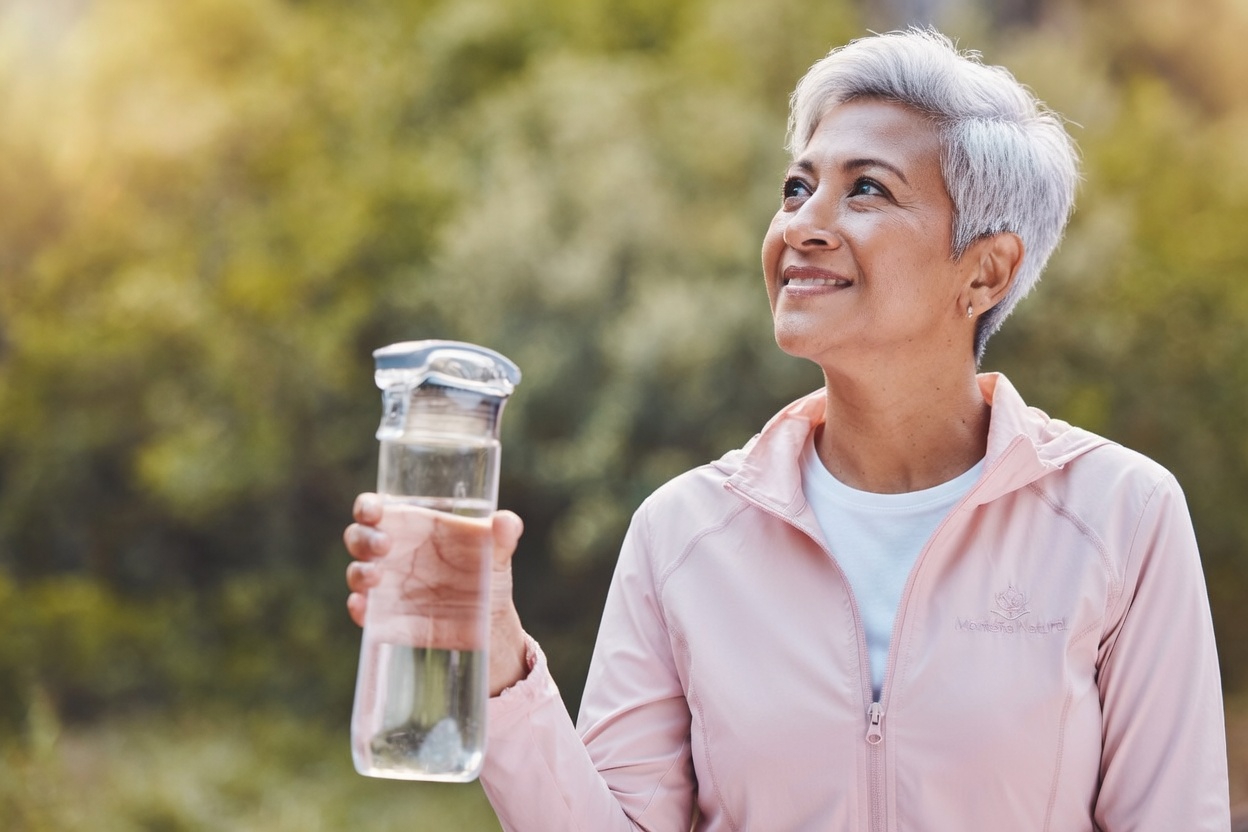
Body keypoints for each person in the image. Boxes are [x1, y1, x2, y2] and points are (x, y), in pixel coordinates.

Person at [344, 28, 1231, 831]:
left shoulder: (1121, 517)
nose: (804, 225)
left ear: (987, 270)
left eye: (867, 191)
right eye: (798, 187)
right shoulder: (682, 533)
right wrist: (497, 660)